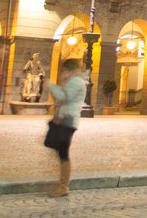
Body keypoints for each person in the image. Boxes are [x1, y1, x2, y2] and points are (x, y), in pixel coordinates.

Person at [46, 58, 88, 197]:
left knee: (63, 152)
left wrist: (51, 86)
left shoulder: (75, 81)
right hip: (66, 119)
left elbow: (65, 97)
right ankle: (63, 185)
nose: (62, 73)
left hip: (68, 120)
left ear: (70, 70)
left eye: (64, 70)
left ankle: (63, 187)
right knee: (61, 151)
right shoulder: (73, 81)